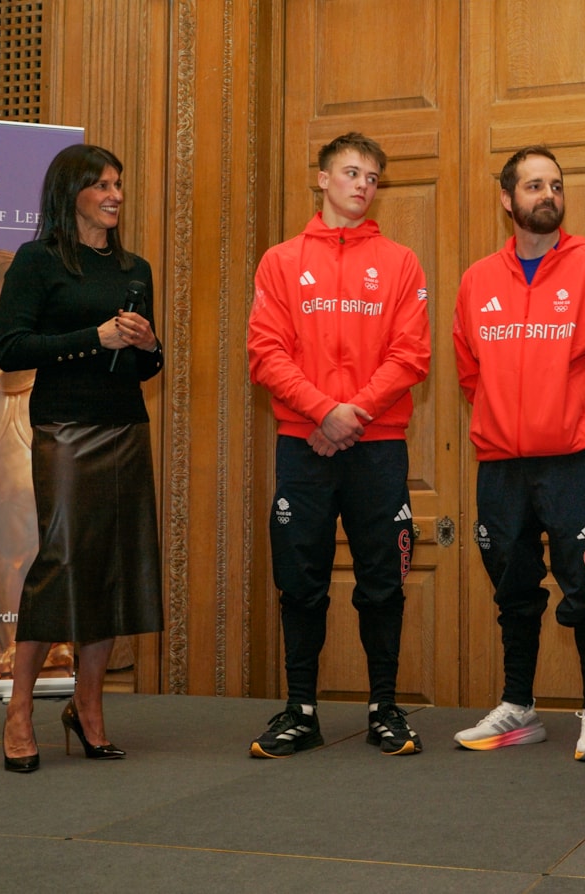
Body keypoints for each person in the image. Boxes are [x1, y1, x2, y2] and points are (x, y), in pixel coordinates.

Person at [452, 146, 585, 760]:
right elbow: (468, 374)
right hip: (501, 467)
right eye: (534, 185)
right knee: (512, 590)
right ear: (508, 200)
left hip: (572, 464)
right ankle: (518, 707)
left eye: (556, 185)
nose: (548, 195)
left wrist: (577, 414)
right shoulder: (477, 280)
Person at [247, 132, 430, 759]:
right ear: (322, 179)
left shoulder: (402, 262)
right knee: (301, 582)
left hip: (378, 448)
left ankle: (384, 705)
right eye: (351, 173)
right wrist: (324, 413)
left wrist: (351, 417)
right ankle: (300, 709)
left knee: (383, 581)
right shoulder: (280, 261)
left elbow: (411, 355)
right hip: (303, 446)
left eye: (373, 177)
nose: (362, 185)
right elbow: (265, 353)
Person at [0, 144, 165, 772]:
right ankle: (18, 708)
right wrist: (92, 338)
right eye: (100, 185)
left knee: (112, 565)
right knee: (62, 561)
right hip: (66, 430)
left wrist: (149, 344)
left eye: (118, 182)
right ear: (71, 195)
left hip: (124, 427)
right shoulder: (37, 263)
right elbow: (12, 349)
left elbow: (149, 365)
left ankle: (88, 711)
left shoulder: (134, 268)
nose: (114, 194)